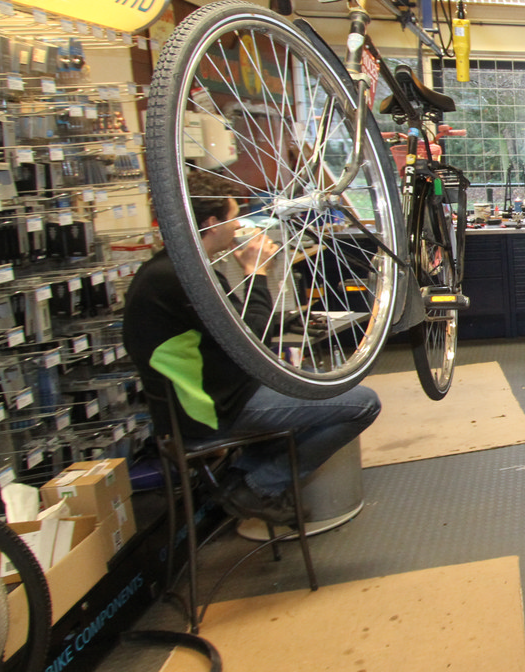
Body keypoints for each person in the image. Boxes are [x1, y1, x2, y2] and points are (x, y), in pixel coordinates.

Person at [124, 170, 381, 525]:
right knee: (363, 403)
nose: (238, 226)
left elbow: (231, 330)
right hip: (213, 409)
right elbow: (253, 337)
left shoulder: (168, 268)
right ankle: (255, 485)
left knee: (312, 380)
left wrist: (286, 321)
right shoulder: (183, 277)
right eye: (234, 217)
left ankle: (240, 477)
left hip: (213, 396)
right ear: (212, 223)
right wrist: (256, 272)